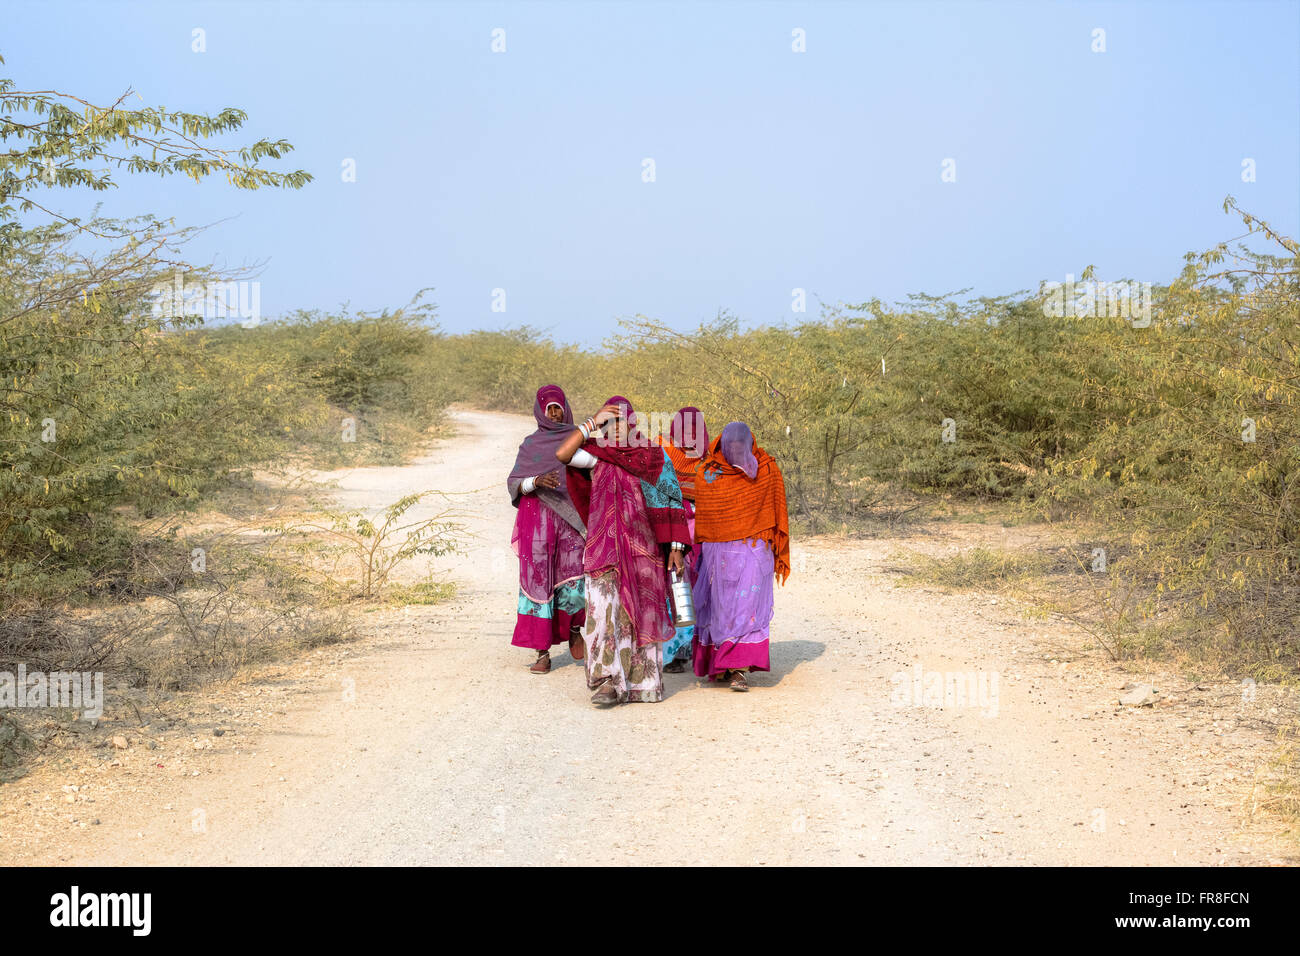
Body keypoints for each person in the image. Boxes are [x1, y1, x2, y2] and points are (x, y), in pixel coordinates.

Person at [556, 397, 690, 705]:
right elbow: (562, 453)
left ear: (631, 423)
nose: (612, 430)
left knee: (637, 615)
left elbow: (671, 498)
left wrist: (677, 547)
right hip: (604, 551)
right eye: (606, 425)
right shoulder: (596, 457)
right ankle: (607, 682)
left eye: (617, 423)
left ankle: (641, 683)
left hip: (644, 550)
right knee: (603, 616)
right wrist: (592, 421)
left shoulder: (653, 457)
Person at [690, 421, 791, 691]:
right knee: (722, 609)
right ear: (722, 444)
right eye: (729, 442)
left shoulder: (767, 469)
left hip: (754, 553)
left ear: (749, 444)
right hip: (719, 555)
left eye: (740, 442)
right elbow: (706, 515)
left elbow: (776, 508)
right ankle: (721, 664)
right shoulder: (709, 471)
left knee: (748, 610)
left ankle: (739, 669)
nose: (734, 447)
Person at [506, 385, 588, 674]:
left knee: (575, 578)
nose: (554, 413)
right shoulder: (530, 445)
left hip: (571, 523)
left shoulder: (577, 439)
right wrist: (536, 481)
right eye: (548, 408)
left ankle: (575, 627)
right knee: (538, 582)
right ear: (540, 411)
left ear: (565, 408)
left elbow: (593, 476)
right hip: (536, 521)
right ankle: (542, 652)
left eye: (558, 407)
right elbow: (514, 482)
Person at [655, 407, 709, 672]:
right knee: (675, 586)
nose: (689, 436)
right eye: (684, 430)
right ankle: (675, 650)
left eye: (694, 430)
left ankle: (694, 647)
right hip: (671, 526)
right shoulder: (662, 451)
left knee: (700, 587)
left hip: (702, 530)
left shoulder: (710, 460)